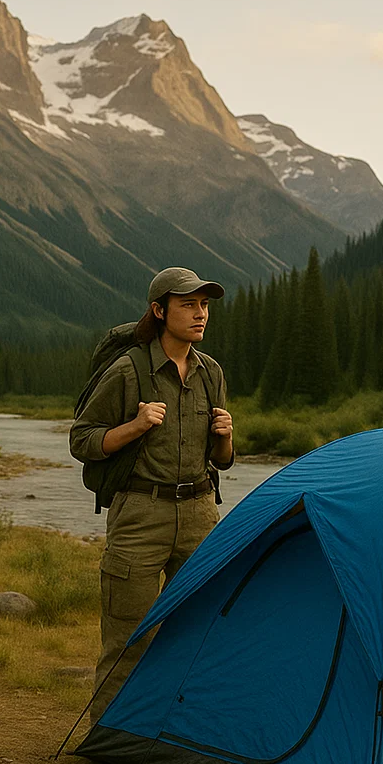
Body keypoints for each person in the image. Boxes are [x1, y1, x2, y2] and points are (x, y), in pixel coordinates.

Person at [70, 267, 235, 722]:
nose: (200, 314)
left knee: (198, 630)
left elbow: (222, 461)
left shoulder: (211, 373)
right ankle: (110, 737)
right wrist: (135, 426)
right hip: (141, 514)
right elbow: (81, 439)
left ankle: (183, 736)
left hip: (201, 513)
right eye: (188, 305)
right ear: (160, 311)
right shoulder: (127, 371)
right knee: (128, 637)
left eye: (204, 305)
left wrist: (225, 437)